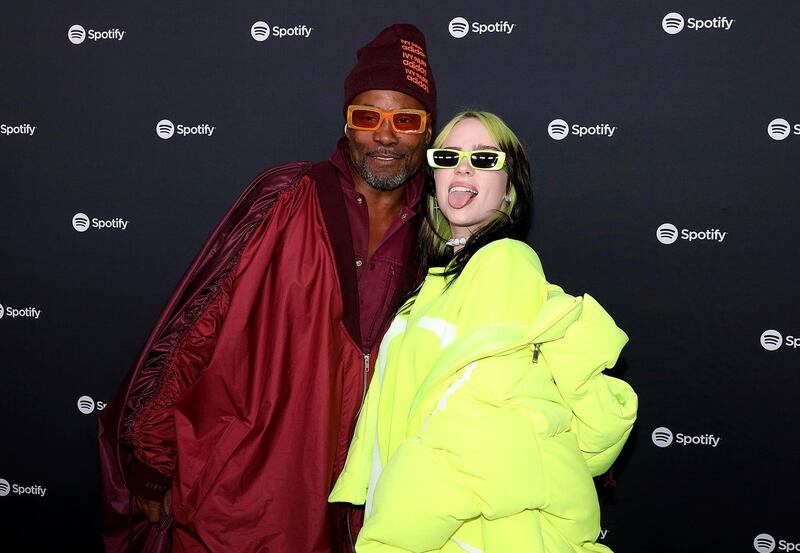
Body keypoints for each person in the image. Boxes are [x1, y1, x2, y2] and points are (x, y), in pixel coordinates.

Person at [99, 24, 436, 553]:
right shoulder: (287, 199)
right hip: (255, 491)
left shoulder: (442, 236)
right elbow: (198, 326)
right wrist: (155, 455)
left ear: (428, 131)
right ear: (346, 125)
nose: (386, 135)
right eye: (367, 116)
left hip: (372, 505)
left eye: (406, 119)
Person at [329, 111, 638, 552]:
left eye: (486, 158)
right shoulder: (443, 280)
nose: (464, 166)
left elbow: (473, 429)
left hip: (468, 534)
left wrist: (389, 541)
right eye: (449, 155)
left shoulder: (502, 264)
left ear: (510, 188)